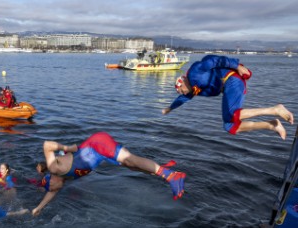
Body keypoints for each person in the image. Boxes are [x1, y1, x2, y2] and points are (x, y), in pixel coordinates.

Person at [32, 131, 186, 216]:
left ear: (51, 179)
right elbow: (50, 194)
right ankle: (157, 170)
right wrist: (38, 208)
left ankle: (170, 175)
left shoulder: (54, 168)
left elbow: (47, 145)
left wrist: (68, 148)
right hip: (100, 154)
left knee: (130, 160)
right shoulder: (61, 181)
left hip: (98, 144)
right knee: (131, 166)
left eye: (51, 187)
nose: (54, 189)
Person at [162, 55, 294, 140]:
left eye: (180, 91)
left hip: (232, 79)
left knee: (231, 115)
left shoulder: (195, 71)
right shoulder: (194, 90)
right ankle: (272, 125)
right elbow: (182, 99)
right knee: (230, 126)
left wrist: (236, 65)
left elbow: (213, 60)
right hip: (231, 88)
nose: (182, 93)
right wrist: (169, 108)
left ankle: (275, 109)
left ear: (182, 82)